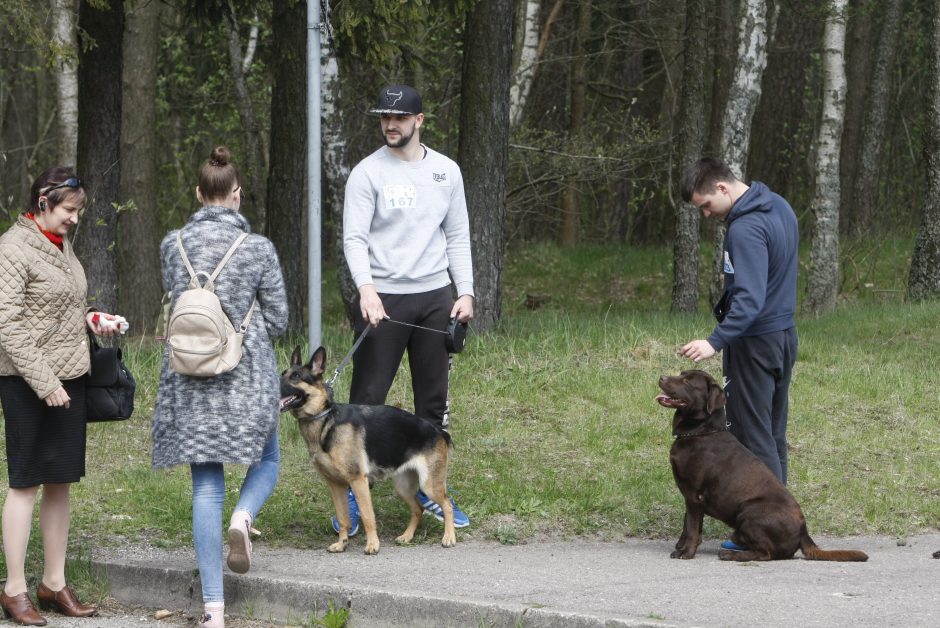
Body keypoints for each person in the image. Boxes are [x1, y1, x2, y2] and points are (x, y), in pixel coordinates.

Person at [152, 146, 288, 628]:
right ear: (236, 195)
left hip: (188, 378)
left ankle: (213, 611)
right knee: (267, 458)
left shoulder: (174, 244)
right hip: (244, 376)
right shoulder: (258, 249)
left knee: (206, 486)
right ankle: (244, 517)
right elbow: (278, 319)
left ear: (197, 194)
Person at [338, 84, 474, 535]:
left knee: (432, 406)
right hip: (383, 299)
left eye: (399, 117)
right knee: (365, 403)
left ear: (420, 120)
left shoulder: (446, 172)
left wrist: (465, 292)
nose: (390, 125)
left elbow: (457, 235)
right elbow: (355, 238)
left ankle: (431, 495)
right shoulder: (366, 173)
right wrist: (367, 289)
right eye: (384, 117)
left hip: (435, 296)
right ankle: (356, 504)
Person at [0, 167, 125, 626]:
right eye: (70, 210)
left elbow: (65, 303)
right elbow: (8, 326)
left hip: (70, 377)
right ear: (43, 202)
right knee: (25, 482)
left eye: (78, 212)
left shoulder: (61, 245)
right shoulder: (12, 248)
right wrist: (45, 383)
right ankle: (13, 590)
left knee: (60, 480)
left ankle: (53, 583)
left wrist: (94, 319)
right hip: (26, 381)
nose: (75, 219)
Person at [679, 156, 798, 492]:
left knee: (752, 436)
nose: (706, 214)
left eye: (706, 205)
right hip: (783, 336)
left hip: (754, 343)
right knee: (773, 433)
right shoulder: (779, 206)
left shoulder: (744, 229)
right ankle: (782, 520)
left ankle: (765, 527)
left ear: (721, 187)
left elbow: (749, 299)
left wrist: (714, 341)